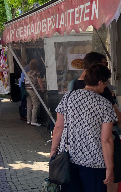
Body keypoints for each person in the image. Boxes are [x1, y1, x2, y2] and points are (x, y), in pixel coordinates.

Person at [50, 64, 116, 192]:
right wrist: (110, 168)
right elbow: (106, 140)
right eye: (106, 82)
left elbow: (58, 127)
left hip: (69, 160)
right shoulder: (105, 104)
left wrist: (53, 150)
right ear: (99, 82)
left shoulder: (68, 97)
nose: (106, 85)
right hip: (95, 163)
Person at [70, 52, 121, 192]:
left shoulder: (73, 88)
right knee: (109, 182)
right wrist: (109, 168)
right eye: (104, 64)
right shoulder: (103, 92)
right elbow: (108, 136)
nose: (106, 67)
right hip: (100, 153)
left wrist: (54, 151)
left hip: (78, 151)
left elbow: (61, 125)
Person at [24, 59, 45, 126]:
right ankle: (33, 121)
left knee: (29, 105)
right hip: (33, 90)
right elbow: (39, 81)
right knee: (36, 104)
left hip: (27, 89)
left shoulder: (28, 72)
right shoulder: (36, 73)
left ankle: (28, 120)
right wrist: (42, 89)